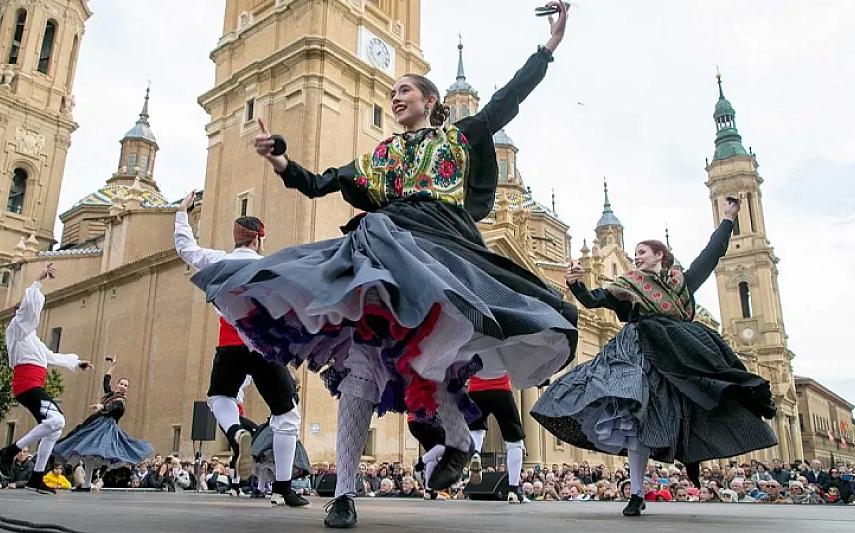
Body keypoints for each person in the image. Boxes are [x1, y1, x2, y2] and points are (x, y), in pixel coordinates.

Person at [191, 2, 575, 528]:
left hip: (442, 253)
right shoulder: (381, 156)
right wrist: (280, 158)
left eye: (405, 92)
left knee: (430, 359)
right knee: (361, 369)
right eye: (393, 93)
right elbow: (320, 181)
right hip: (384, 250)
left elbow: (508, 100)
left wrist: (548, 48)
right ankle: (344, 493)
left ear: (431, 100)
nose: (395, 98)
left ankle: (459, 440)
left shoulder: (458, 140)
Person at [531, 198, 778, 517]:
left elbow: (712, 254)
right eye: (633, 255)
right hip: (639, 352)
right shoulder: (629, 284)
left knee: (691, 408)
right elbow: (595, 300)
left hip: (679, 353)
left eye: (641, 253)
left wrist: (728, 219)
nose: (636, 258)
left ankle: (692, 453)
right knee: (635, 420)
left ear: (659, 255)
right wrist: (576, 284)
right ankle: (636, 493)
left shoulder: (682, 284)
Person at [175, 193, 309, 509]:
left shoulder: (218, 261)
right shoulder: (268, 266)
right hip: (264, 346)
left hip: (229, 343)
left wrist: (182, 212)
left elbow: (185, 248)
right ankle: (283, 488)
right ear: (259, 239)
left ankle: (235, 432)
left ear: (236, 238)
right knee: (287, 415)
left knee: (219, 397)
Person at [0, 263, 93, 494]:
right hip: (26, 386)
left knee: (54, 430)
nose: (26, 312)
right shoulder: (15, 332)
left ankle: (36, 477)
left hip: (32, 386)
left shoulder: (34, 341)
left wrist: (75, 362)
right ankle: (11, 451)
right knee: (58, 421)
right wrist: (38, 281)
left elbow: (50, 356)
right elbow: (27, 312)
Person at [52, 355, 153, 492]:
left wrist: (102, 407)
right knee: (88, 455)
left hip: (105, 428)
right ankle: (86, 483)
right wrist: (112, 366)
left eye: (126, 385)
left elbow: (115, 407)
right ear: (118, 385)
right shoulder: (111, 395)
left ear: (127, 389)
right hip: (95, 423)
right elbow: (106, 382)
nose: (123, 386)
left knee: (90, 449)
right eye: (121, 384)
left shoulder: (121, 401)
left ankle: (73, 464)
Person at [466, 373, 527, 503]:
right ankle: (514, 490)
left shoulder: (472, 350)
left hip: (475, 391)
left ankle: (476, 453)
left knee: (476, 428)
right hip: (501, 389)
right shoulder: (503, 350)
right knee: (514, 441)